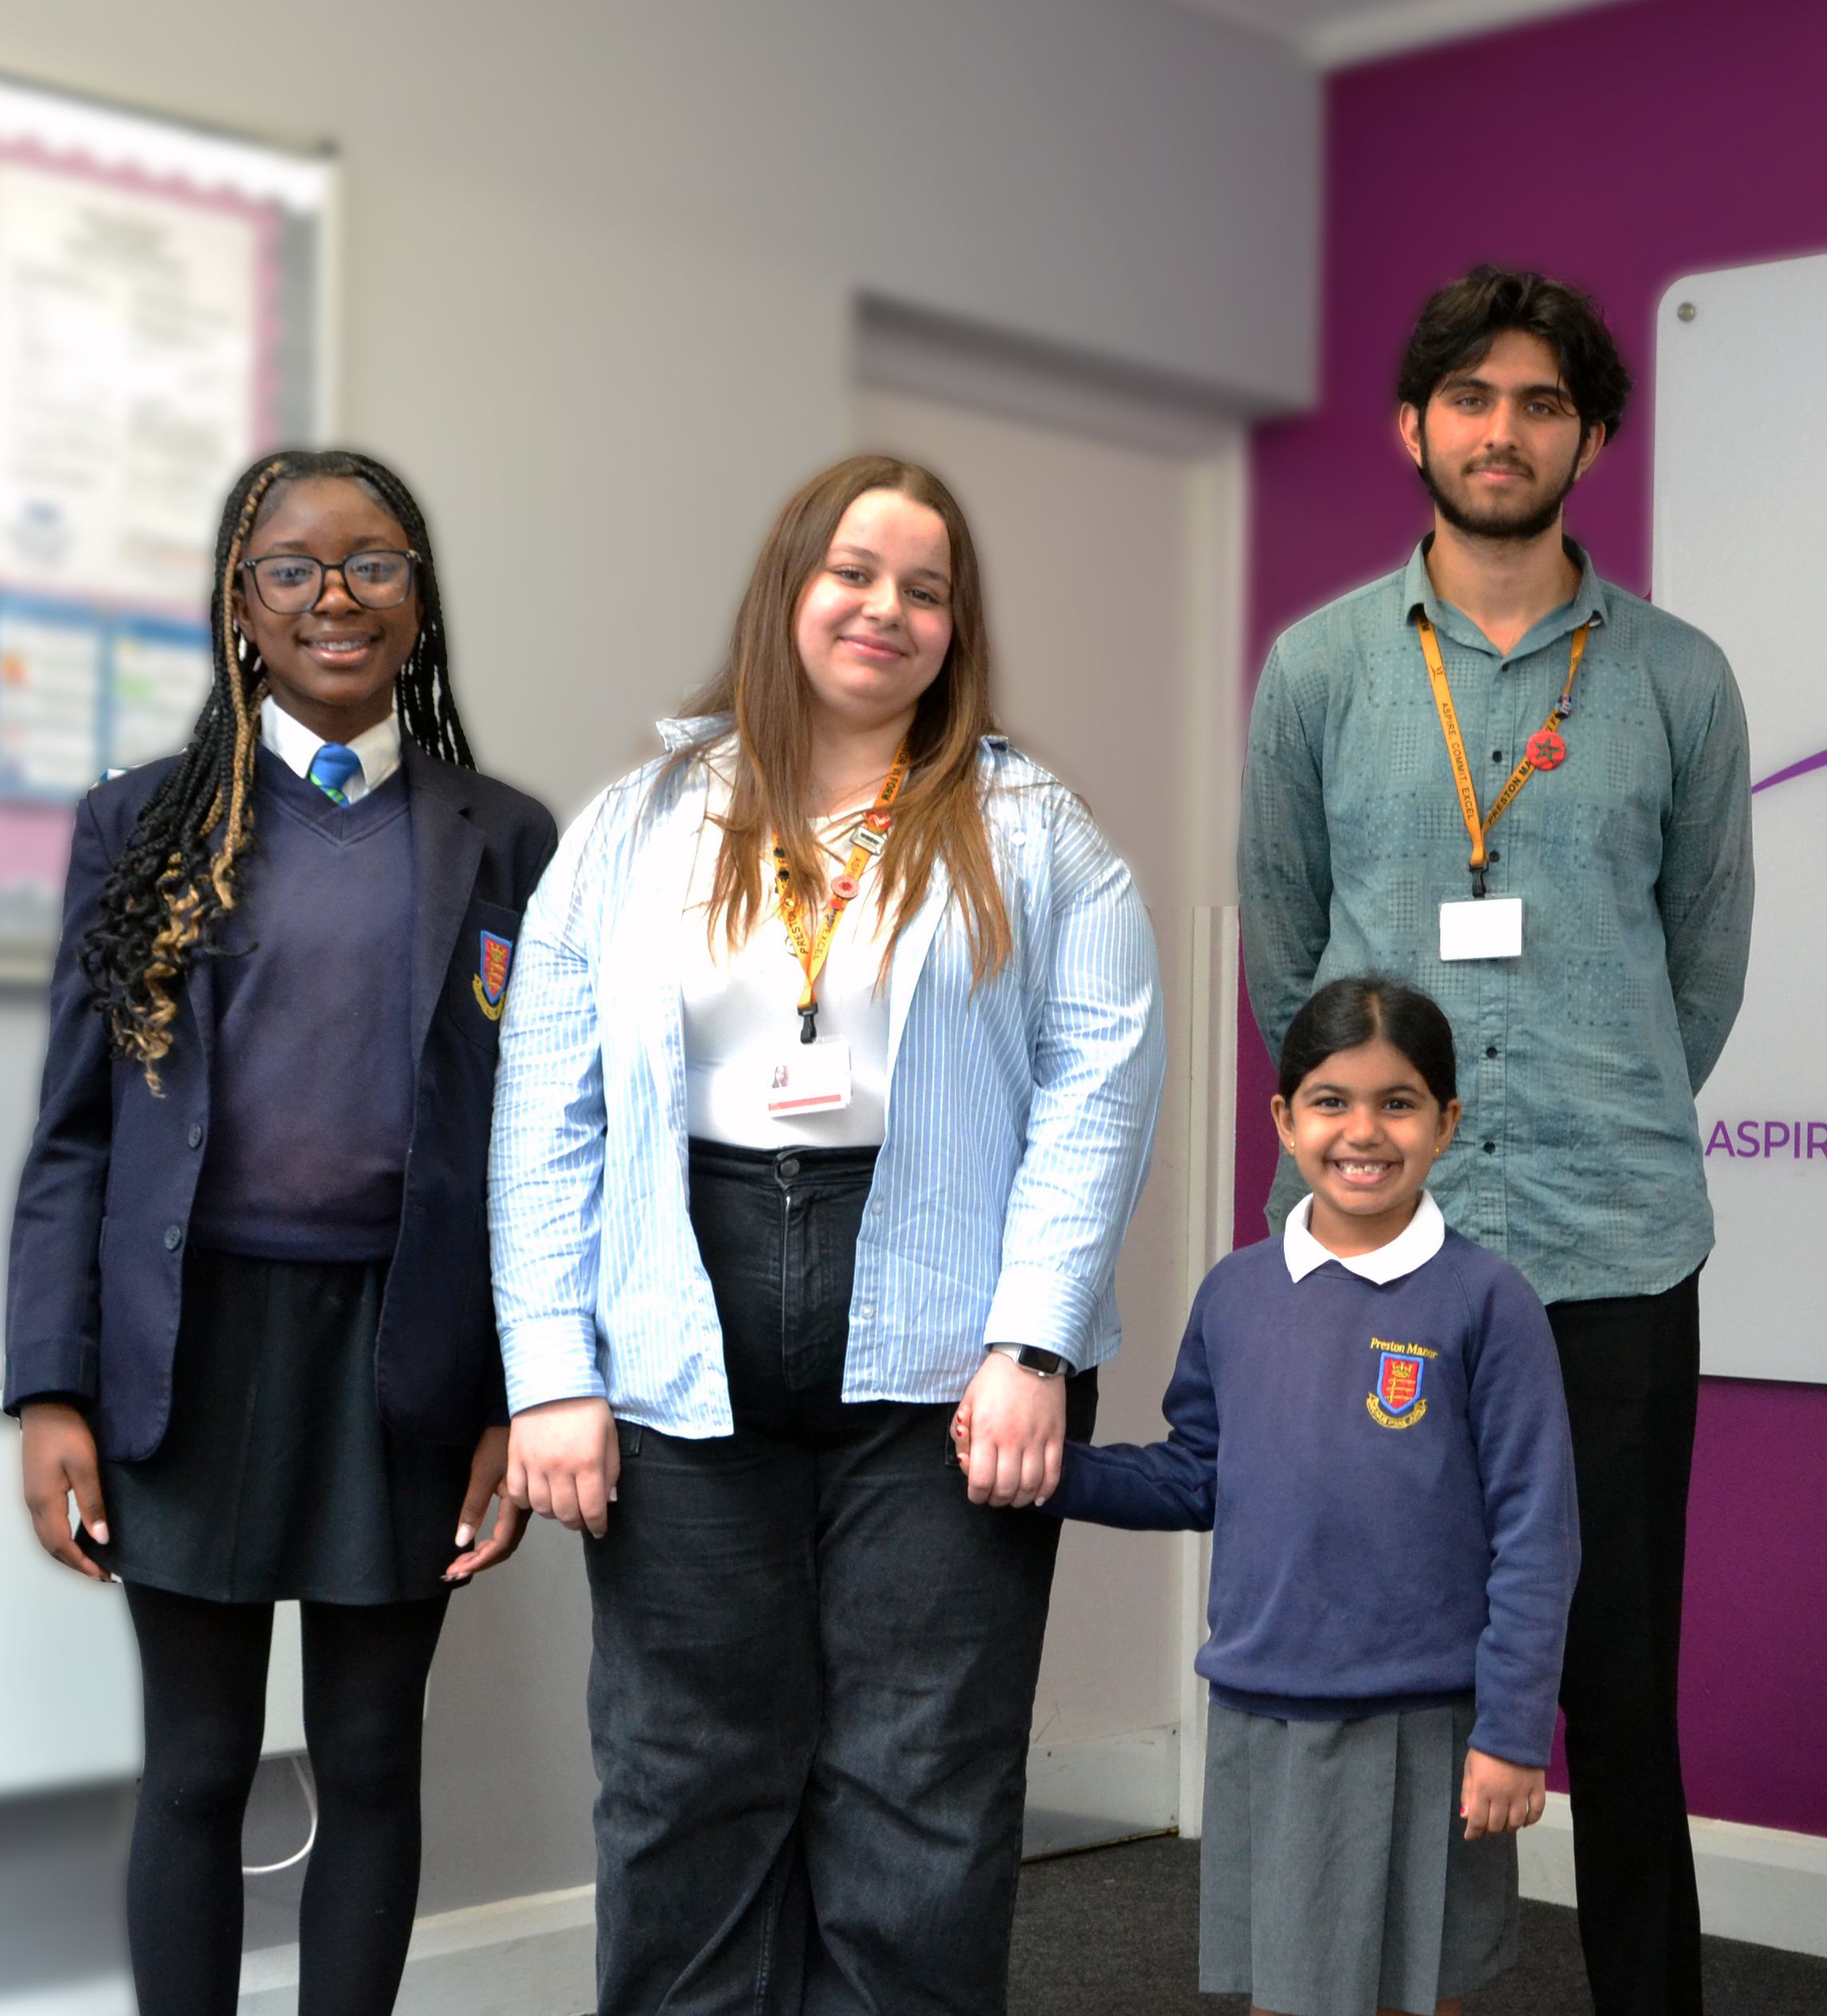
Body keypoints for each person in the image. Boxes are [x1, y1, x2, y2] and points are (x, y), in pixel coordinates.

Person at [486, 454, 1163, 2011]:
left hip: (954, 1343)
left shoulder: (1034, 829)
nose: (887, 609)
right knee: (681, 1771)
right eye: (855, 572)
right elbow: (545, 1110)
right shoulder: (639, 822)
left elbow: (1101, 1090)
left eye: (927, 589)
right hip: (678, 1320)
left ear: (957, 627)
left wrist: (1035, 1344)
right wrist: (550, 1370)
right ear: (788, 587)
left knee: (925, 1778)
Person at [1238, 264, 1752, 2015]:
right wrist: (1369, 1149)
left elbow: (1701, 966)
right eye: (1471, 397)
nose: (1502, 430)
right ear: (1414, 426)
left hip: (1614, 1239)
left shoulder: (1677, 678)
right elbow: (1288, 962)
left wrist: (1609, 1087)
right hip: (1378, 1253)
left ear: (1590, 438)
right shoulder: (1317, 670)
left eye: (1541, 403)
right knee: (1377, 1666)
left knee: (1618, 1686)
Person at [6, 449, 553, 2016]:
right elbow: (74, 1133)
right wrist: (49, 1390)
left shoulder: (505, 835)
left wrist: (518, 1391)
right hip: (189, 1356)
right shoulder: (140, 823)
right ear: (240, 606)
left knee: (372, 1755)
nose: (336, 596)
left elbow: (539, 1143)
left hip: (409, 1352)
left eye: (373, 562)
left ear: (417, 597)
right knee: (195, 1761)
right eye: (293, 568)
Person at [1036, 974, 1579, 2016]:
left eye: (1398, 1102)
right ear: (1286, 1120)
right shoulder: (1235, 1294)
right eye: (1332, 1101)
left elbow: (1537, 1534)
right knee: (1284, 1995)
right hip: (1268, 1712)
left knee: (1420, 1993)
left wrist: (1513, 1732)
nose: (1362, 1132)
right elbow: (1196, 1473)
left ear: (1447, 1122)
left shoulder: (1490, 1303)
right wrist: (1054, 1473)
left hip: (1427, 1723)